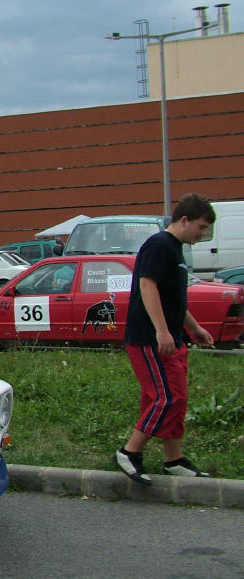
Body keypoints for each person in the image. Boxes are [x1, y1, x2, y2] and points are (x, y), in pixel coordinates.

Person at [114, 193, 216, 484]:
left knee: (173, 399)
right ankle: (129, 452)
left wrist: (194, 328)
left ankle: (174, 459)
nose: (202, 234)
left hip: (172, 338)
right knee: (168, 398)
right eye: (201, 227)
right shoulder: (159, 245)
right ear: (184, 220)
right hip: (150, 338)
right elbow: (148, 286)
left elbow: (174, 300)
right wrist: (161, 330)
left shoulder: (176, 249)